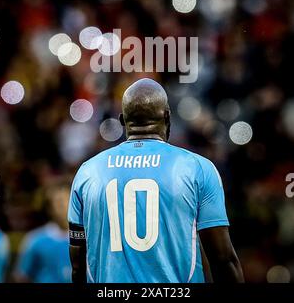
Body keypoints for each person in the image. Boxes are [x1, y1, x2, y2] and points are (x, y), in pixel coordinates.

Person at [68, 78, 244, 283]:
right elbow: (223, 260)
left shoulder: (88, 172)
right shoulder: (198, 168)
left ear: (123, 120)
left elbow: (78, 266)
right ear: (167, 116)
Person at [15, 182, 71, 283]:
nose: (63, 206)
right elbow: (22, 276)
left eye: (67, 200)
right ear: (50, 208)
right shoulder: (35, 239)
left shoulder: (87, 239)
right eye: (58, 202)